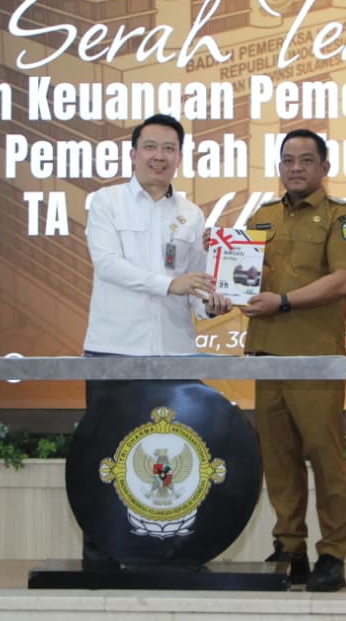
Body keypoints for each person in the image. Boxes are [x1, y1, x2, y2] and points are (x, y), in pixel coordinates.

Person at [79, 113, 229, 564]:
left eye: (169, 148)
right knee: (105, 454)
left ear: (179, 157)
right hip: (114, 346)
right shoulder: (106, 203)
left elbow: (196, 283)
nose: (159, 156)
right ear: (133, 154)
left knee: (174, 450)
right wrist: (169, 284)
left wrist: (212, 303)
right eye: (150, 147)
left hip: (174, 351)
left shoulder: (191, 214)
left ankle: (173, 551)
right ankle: (101, 555)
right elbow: (108, 264)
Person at [241, 129, 346, 592]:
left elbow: (344, 280)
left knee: (324, 458)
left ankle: (332, 553)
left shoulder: (341, 218)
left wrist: (285, 301)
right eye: (288, 160)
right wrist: (222, 286)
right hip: (267, 354)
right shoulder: (262, 216)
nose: (295, 168)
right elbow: (243, 276)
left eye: (306, 160)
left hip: (314, 359)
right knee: (279, 460)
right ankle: (290, 548)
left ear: (324, 168)